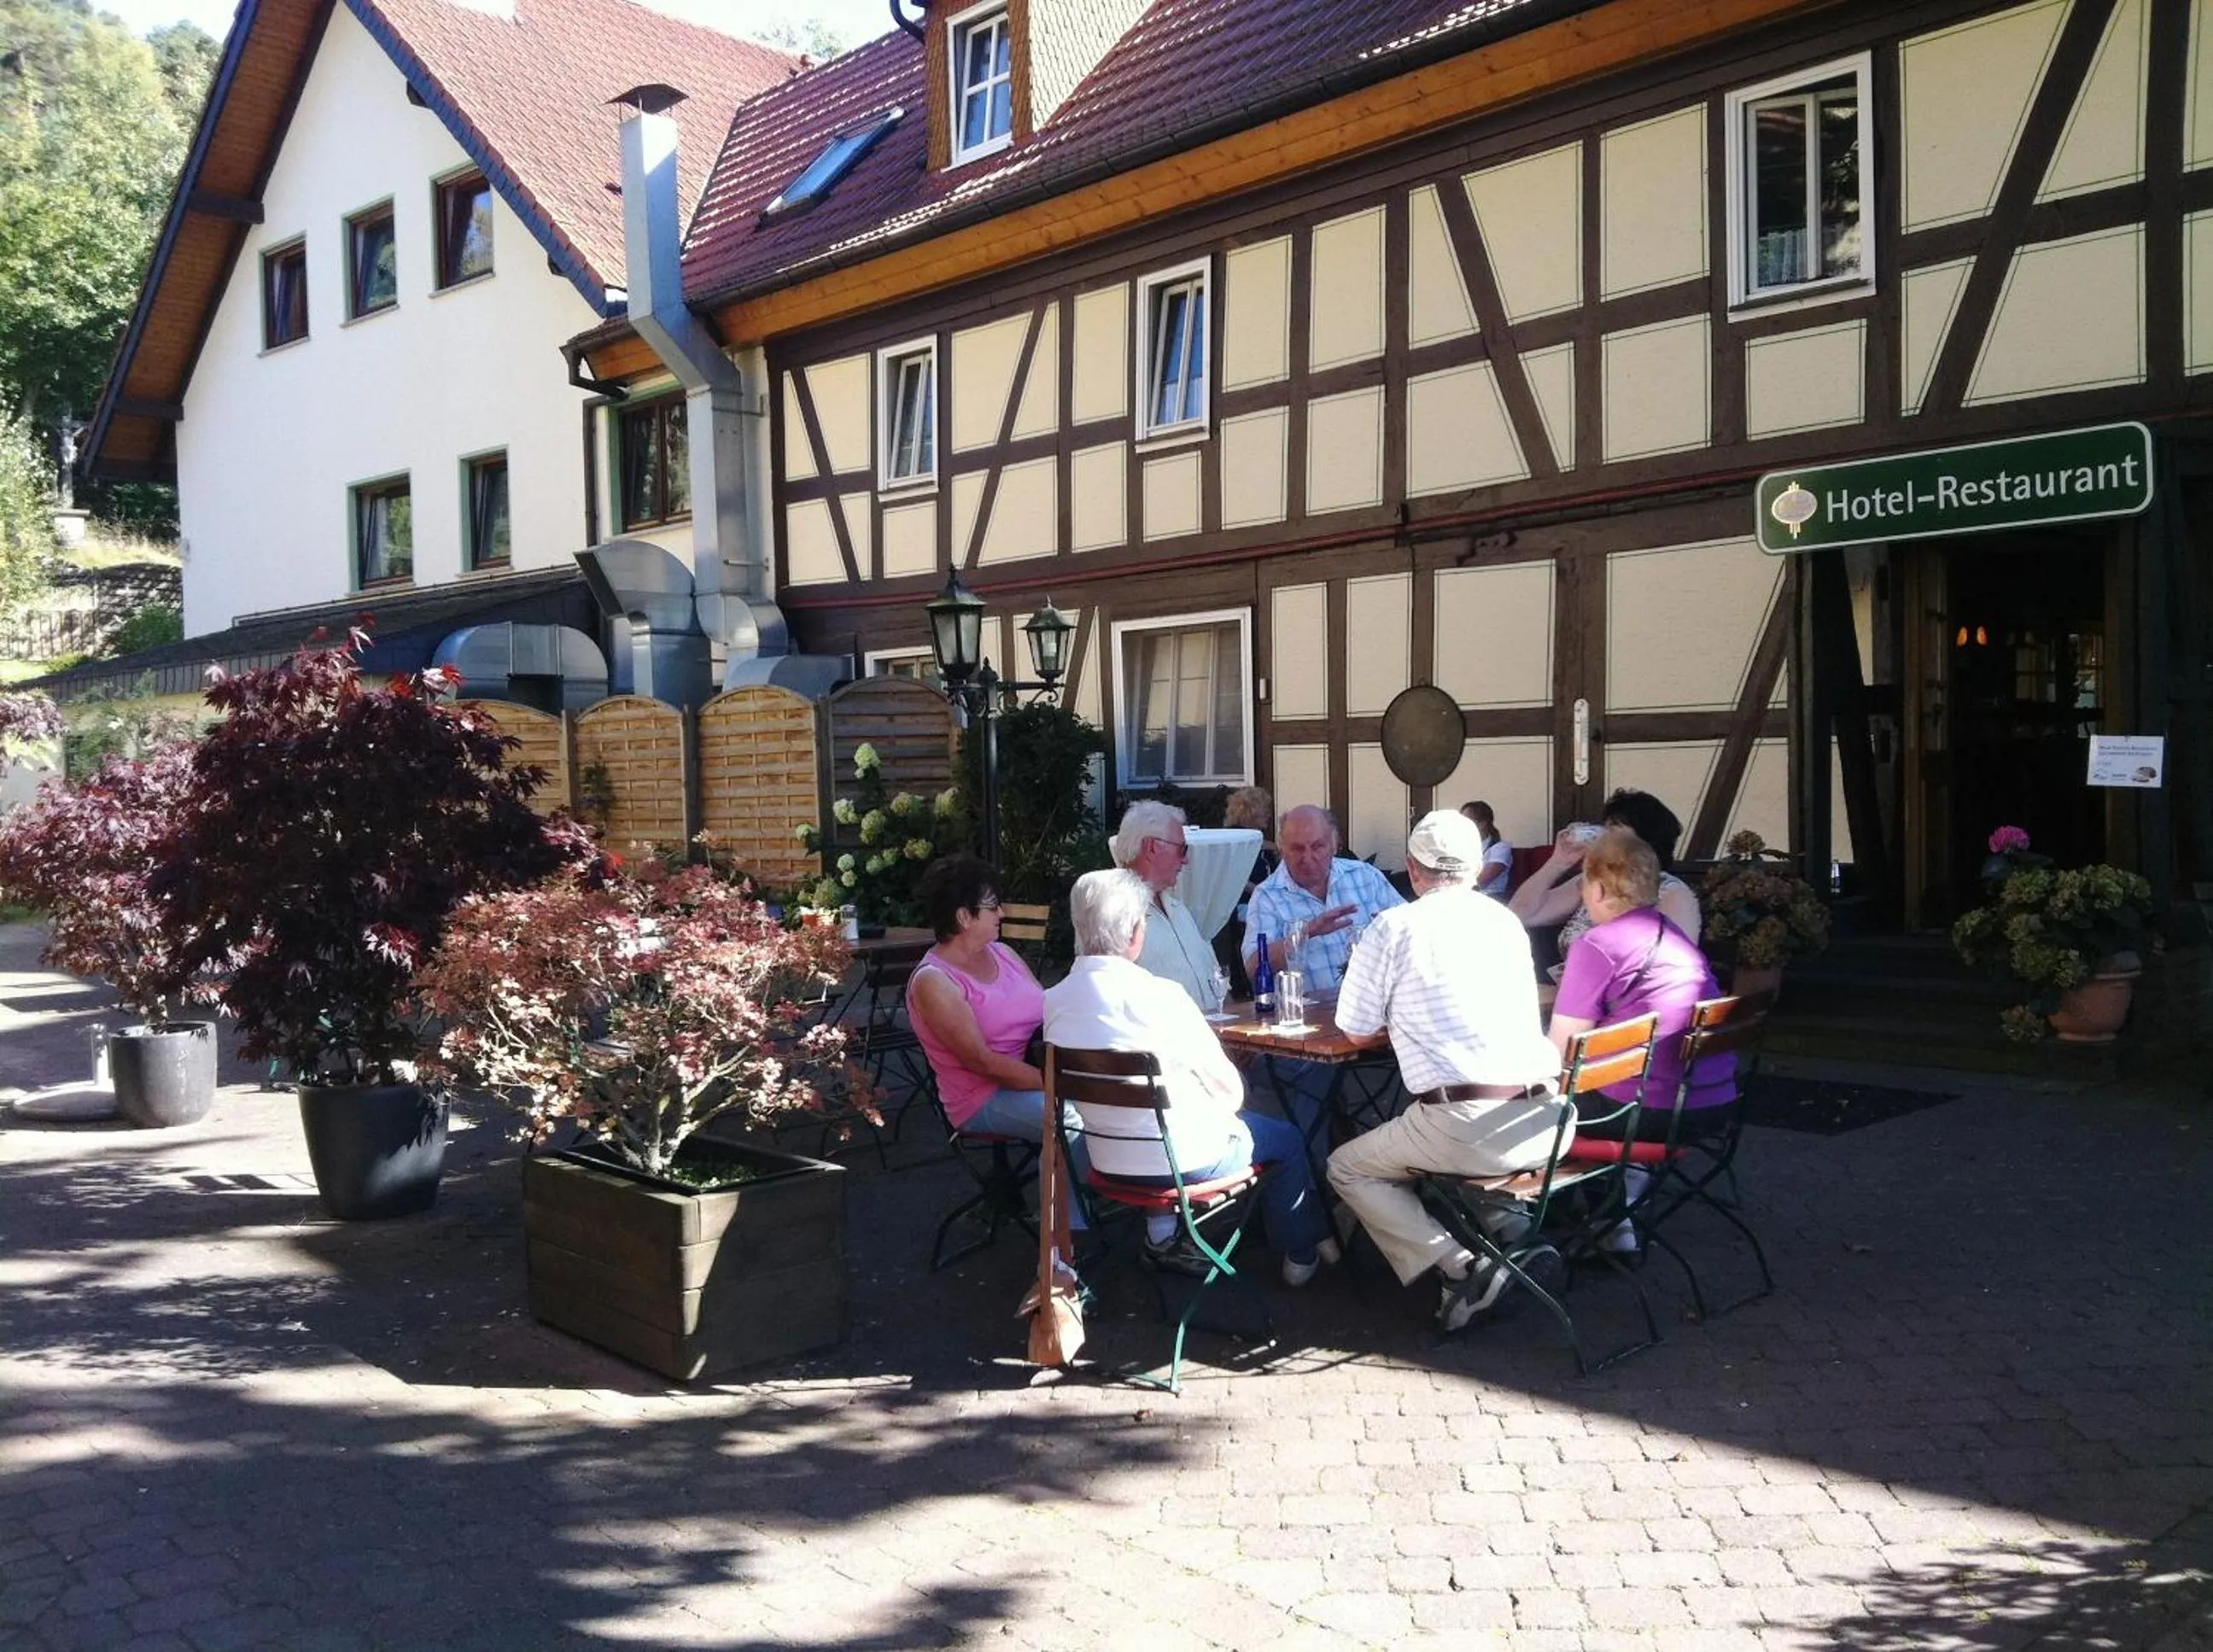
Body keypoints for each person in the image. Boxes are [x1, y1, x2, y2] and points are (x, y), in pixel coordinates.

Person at [1326, 810, 1568, 1332]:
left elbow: (1353, 1028)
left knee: (1348, 1166)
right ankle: (1510, 1233)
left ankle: (1463, 1269)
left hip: (1468, 1125)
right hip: (1548, 1121)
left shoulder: (1395, 926)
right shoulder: (1502, 920)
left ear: (1413, 870)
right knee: (1424, 1138)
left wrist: (1401, 1015)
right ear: (1477, 869)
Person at [1044, 869, 1336, 1285]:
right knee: (1286, 1137)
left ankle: (1165, 1235)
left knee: (1165, 1121)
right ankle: (1301, 1252)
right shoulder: (1163, 997)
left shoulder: (1053, 1002)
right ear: (1134, 933)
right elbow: (1232, 1093)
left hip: (1103, 1160)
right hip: (1184, 1162)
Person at [1548, 829, 1736, 1252]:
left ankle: (1535, 1227)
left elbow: (1560, 1053)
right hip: (1715, 1104)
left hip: (1647, 1113)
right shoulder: (1677, 940)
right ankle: (1612, 1228)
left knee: (1540, 1107)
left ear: (1594, 888)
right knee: (1591, 1091)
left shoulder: (1597, 945)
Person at [907, 855, 1086, 1184]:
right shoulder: (935, 982)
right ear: (964, 917)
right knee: (1073, 1122)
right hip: (981, 1098)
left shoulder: (1003, 954)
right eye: (993, 907)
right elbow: (983, 1063)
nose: (1001, 913)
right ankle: (1066, 1228)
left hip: (1036, 1072)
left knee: (1115, 1103)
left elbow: (1047, 1010)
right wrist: (1061, 1083)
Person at [1510, 788, 1702, 964]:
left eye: (1613, 830)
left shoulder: (1671, 892)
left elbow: (1675, 964)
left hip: (1626, 999)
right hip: (1577, 994)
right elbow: (1520, 915)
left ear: (1643, 841)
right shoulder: (1591, 883)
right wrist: (1558, 863)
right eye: (1606, 828)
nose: (1602, 837)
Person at [1241, 804, 1404, 992]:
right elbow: (1254, 968)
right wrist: (1306, 933)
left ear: (1334, 845)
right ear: (1282, 849)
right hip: (1308, 1014)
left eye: (1318, 847)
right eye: (1297, 849)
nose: (1308, 858)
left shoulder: (1365, 876)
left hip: (1372, 1008)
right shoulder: (1267, 896)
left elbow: (1411, 931)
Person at [1112, 799, 1220, 1010]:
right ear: (1152, 847)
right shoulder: (1114, 913)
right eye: (1182, 849)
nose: (1185, 860)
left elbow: (1216, 978)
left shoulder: (1179, 909)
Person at [1461, 800, 1514, 898]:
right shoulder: (1460, 847)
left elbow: (1480, 882)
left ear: (1482, 824)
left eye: (1466, 821)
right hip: (1464, 896)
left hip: (1491, 898)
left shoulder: (1500, 848)